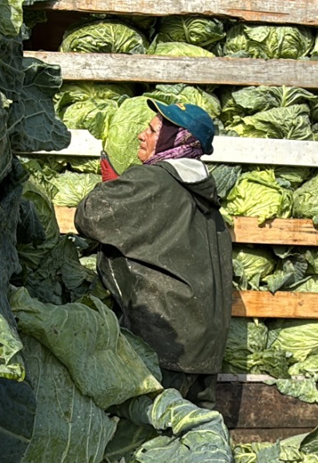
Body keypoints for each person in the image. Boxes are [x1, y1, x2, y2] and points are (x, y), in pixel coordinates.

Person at [74, 100, 232, 406]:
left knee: (142, 438)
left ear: (175, 140)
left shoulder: (152, 179)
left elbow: (88, 217)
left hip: (161, 340)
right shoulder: (207, 197)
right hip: (204, 347)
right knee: (187, 438)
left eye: (151, 130)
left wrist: (110, 184)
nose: (141, 136)